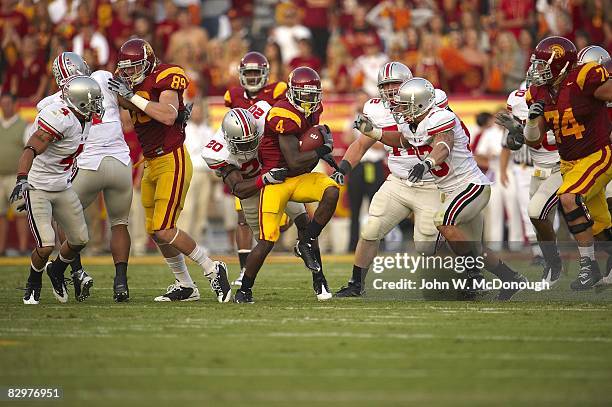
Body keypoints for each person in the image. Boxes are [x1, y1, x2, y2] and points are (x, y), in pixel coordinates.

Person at [356, 77, 527, 300]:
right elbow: (402, 140)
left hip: (469, 186)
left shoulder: (441, 118)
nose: (401, 109)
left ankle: (473, 275)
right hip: (454, 191)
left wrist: (427, 163)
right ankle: (510, 278)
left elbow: (443, 145)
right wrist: (374, 133)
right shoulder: (414, 122)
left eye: (406, 104)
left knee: (443, 222)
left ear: (421, 104)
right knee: (473, 246)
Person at [108, 38, 231, 302]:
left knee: (165, 228)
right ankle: (185, 285)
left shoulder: (166, 75)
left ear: (149, 62)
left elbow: (167, 115)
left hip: (171, 159)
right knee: (155, 230)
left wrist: (131, 98)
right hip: (150, 161)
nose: (129, 74)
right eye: (125, 69)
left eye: (134, 67)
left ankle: (213, 268)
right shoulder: (129, 85)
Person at [334, 62, 441, 297]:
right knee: (370, 229)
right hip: (399, 180)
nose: (391, 89)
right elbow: (361, 143)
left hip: (430, 181)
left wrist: (378, 133)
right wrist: (343, 168)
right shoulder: (375, 108)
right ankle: (356, 284)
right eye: (386, 85)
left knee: (426, 240)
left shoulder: (430, 101)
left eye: (395, 83)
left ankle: (449, 280)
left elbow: (409, 139)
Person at [234, 67, 339, 303]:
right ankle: (245, 289)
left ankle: (309, 251)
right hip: (277, 179)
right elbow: (293, 158)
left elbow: (304, 146)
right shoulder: (282, 113)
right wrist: (322, 149)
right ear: (292, 92)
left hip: (298, 177)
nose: (310, 100)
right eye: (305, 94)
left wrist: (317, 146)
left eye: (314, 95)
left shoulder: (313, 110)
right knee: (267, 239)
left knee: (331, 191)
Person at [36, 51, 134, 302]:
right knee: (119, 223)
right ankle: (120, 282)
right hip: (120, 161)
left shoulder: (50, 102)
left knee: (63, 217)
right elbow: (128, 103)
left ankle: (77, 272)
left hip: (86, 166)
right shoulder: (102, 77)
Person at [523, 36, 612, 290]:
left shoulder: (584, 77)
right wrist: (531, 121)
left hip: (598, 154)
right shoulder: (538, 92)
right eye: (536, 63)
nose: (537, 69)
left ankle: (588, 267)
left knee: (569, 198)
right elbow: (534, 140)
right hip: (569, 163)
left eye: (543, 63)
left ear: (561, 64)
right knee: (598, 224)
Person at [12, 76, 103, 305]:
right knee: (46, 245)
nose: (97, 105)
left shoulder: (85, 118)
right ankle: (34, 280)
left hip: (62, 185)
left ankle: (57, 270)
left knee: (80, 239)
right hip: (39, 186)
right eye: (92, 101)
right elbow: (31, 148)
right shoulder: (60, 118)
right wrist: (22, 179)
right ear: (79, 102)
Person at [223, 51, 287, 285]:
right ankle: (243, 269)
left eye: (255, 72)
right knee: (242, 218)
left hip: (272, 158)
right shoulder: (233, 95)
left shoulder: (277, 91)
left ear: (265, 74)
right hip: (248, 162)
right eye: (247, 72)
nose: (251, 77)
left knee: (286, 214)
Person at [496, 77, 563, 284]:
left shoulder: (557, 102)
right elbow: (513, 143)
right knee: (534, 214)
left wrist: (520, 130)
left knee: (575, 213)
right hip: (533, 168)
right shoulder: (517, 101)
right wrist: (516, 131)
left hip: (562, 165)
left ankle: (587, 261)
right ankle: (547, 259)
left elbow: (541, 136)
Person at [0, 93, 28, 255]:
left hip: (15, 176)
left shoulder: (23, 125)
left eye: (8, 103)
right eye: (2, 103)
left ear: (15, 104)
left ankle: (23, 248)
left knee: (20, 213)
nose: (5, 106)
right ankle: (1, 249)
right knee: (0, 214)